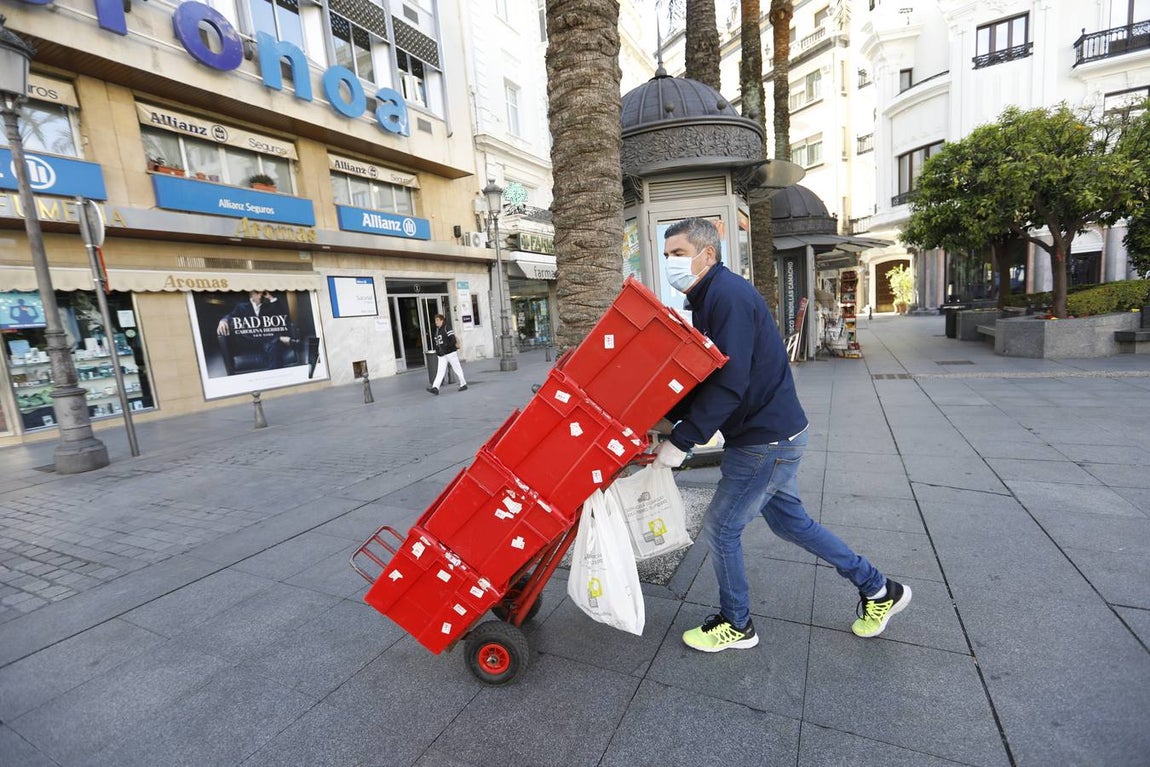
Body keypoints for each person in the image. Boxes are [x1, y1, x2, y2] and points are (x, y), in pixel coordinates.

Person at [653, 217, 911, 652]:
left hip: (764, 442)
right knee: (793, 523)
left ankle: (737, 624)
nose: (670, 264)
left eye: (678, 254)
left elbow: (730, 382)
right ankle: (880, 589)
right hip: (775, 435)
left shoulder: (726, 297)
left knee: (720, 528)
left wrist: (682, 440)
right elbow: (716, 376)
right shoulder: (711, 296)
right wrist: (671, 415)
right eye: (666, 257)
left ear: (706, 255)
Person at [216, 290, 295, 370]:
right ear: (251, 294)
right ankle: (278, 339)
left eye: (262, 293)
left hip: (267, 342)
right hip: (250, 342)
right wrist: (223, 321)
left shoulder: (268, 307)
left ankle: (274, 376)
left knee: (274, 346)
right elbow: (230, 315)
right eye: (257, 293)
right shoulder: (241, 307)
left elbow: (283, 315)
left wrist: (271, 298)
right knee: (273, 340)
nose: (260, 296)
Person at [426, 313, 467, 395]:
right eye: (435, 320)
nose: (436, 322)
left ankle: (463, 384)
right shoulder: (437, 331)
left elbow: (452, 339)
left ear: (442, 320)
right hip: (442, 355)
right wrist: (438, 352)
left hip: (450, 353)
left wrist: (447, 348)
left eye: (437, 320)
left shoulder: (447, 328)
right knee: (440, 371)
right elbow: (437, 342)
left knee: (457, 368)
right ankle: (435, 388)